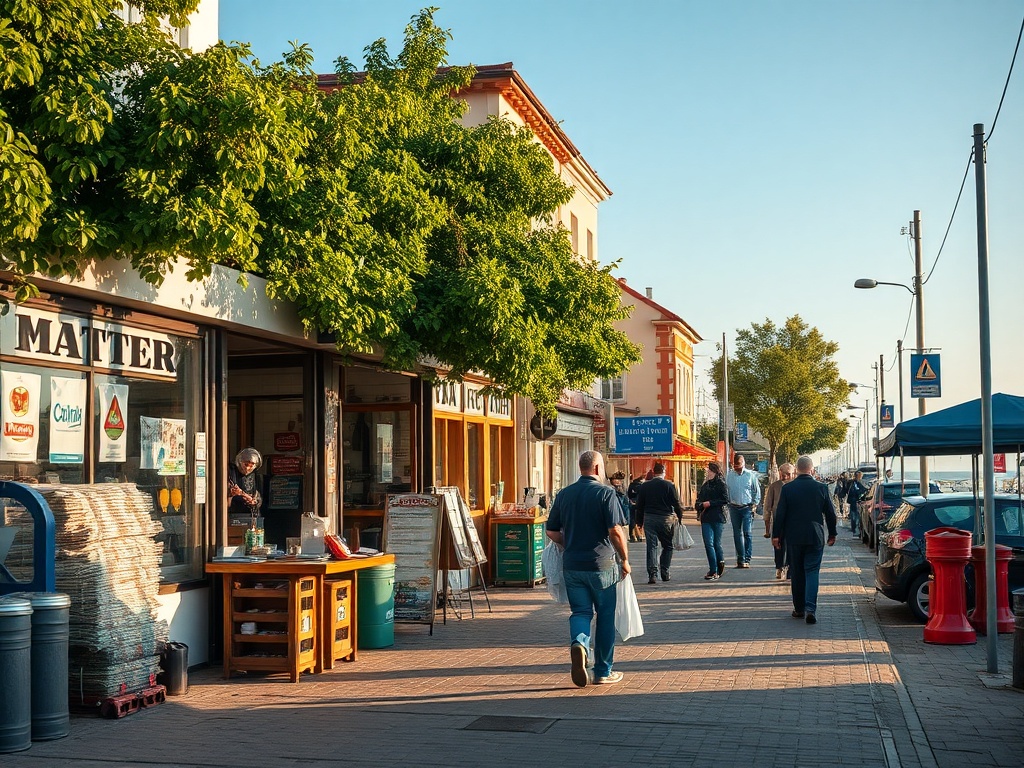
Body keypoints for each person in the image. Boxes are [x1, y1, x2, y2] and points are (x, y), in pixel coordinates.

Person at [546, 451, 631, 688]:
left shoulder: (564, 494)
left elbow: (551, 531)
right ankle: (603, 671)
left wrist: (569, 543)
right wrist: (624, 559)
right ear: (597, 468)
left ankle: (579, 644)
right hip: (601, 565)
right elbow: (615, 531)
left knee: (580, 612)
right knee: (605, 615)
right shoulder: (606, 493)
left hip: (572, 565)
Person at [771, 455, 837, 625]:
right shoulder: (821, 488)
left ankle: (799, 608)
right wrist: (832, 533)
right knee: (812, 571)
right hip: (815, 536)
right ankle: (810, 609)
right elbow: (830, 513)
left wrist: (776, 535)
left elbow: (780, 514)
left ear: (797, 470)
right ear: (812, 470)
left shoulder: (788, 488)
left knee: (797, 572)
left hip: (794, 537)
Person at [635, 461, 683, 584]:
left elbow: (640, 505)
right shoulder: (669, 485)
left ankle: (652, 574)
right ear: (663, 472)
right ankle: (665, 572)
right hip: (665, 519)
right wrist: (680, 517)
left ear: (653, 472)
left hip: (649, 518)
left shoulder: (645, 486)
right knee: (668, 546)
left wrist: (639, 521)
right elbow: (676, 503)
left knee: (652, 546)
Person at [695, 461, 729, 580]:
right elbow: (698, 501)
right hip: (706, 518)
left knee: (716, 543)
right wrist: (700, 505)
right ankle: (713, 570)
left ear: (715, 471)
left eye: (709, 471)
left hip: (718, 517)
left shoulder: (721, 484)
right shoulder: (705, 485)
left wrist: (710, 503)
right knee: (708, 543)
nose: (707, 473)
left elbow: (725, 499)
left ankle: (720, 563)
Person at [725, 453, 761, 568]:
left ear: (743, 463)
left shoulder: (750, 475)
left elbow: (756, 491)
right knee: (737, 534)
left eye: (739, 465)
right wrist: (728, 503)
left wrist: (754, 505)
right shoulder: (729, 476)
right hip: (734, 508)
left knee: (747, 533)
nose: (737, 468)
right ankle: (740, 559)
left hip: (747, 508)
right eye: (735, 465)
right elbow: (726, 490)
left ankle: (747, 558)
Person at [762, 463, 795, 579]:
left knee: (792, 546)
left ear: (793, 474)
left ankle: (790, 568)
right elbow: (767, 506)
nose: (785, 476)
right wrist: (767, 525)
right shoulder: (774, 486)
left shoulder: (796, 486)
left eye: (788, 474)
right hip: (778, 521)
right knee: (778, 545)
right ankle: (779, 567)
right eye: (783, 474)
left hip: (792, 522)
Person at [228, 447, 263, 520]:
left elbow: (258, 497)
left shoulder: (255, 475)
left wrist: (253, 501)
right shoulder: (232, 471)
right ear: (240, 462)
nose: (247, 468)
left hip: (251, 515)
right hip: (233, 513)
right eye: (246, 464)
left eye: (251, 466)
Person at [846, 470, 868, 535]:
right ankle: (855, 529)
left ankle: (854, 529)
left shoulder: (854, 482)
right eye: (861, 476)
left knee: (854, 515)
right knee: (855, 516)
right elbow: (857, 491)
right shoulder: (855, 483)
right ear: (858, 476)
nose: (861, 477)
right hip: (855, 501)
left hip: (854, 501)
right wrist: (864, 492)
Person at [626, 473, 646, 542]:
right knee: (640, 519)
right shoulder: (642, 486)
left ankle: (633, 535)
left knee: (632, 518)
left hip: (632, 502)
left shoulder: (631, 485)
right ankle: (640, 535)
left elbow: (629, 494)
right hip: (640, 504)